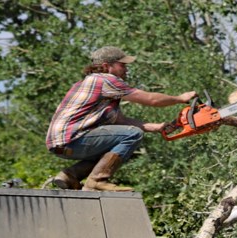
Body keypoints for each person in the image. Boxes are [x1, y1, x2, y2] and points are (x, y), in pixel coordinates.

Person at [46, 45, 197, 191]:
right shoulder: (106, 80)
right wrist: (180, 98)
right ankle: (97, 181)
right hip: (72, 139)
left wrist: (157, 127)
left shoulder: (91, 84)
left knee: (112, 149)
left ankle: (69, 176)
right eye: (122, 65)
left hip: (62, 145)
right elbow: (151, 99)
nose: (126, 69)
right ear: (106, 66)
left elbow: (121, 121)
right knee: (133, 135)